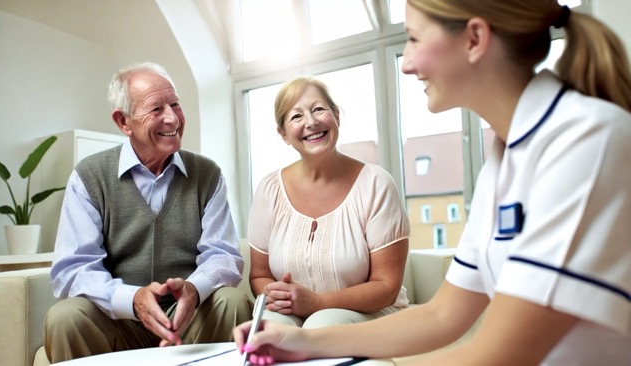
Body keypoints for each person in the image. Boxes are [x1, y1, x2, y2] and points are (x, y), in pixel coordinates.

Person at [233, 1, 631, 365]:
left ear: (474, 39)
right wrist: (299, 345)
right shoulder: (504, 156)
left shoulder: (585, 139)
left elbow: (501, 354)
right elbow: (443, 315)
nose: (405, 63)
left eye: (414, 38)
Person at [44, 62, 253, 363]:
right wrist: (133, 300)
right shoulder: (89, 176)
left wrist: (194, 289)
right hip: (119, 320)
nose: (172, 117)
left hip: (189, 318)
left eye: (175, 104)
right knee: (65, 317)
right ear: (123, 122)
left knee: (231, 301)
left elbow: (223, 255)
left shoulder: (207, 174)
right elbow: (73, 269)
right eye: (156, 109)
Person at [246, 76, 410, 329]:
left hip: (373, 312)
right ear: (284, 134)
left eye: (318, 109)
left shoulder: (376, 184)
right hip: (296, 312)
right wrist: (278, 296)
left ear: (336, 116)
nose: (311, 123)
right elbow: (259, 275)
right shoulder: (269, 189)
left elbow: (386, 287)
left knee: (319, 326)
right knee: (268, 328)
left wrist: (317, 303)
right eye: (296, 116)